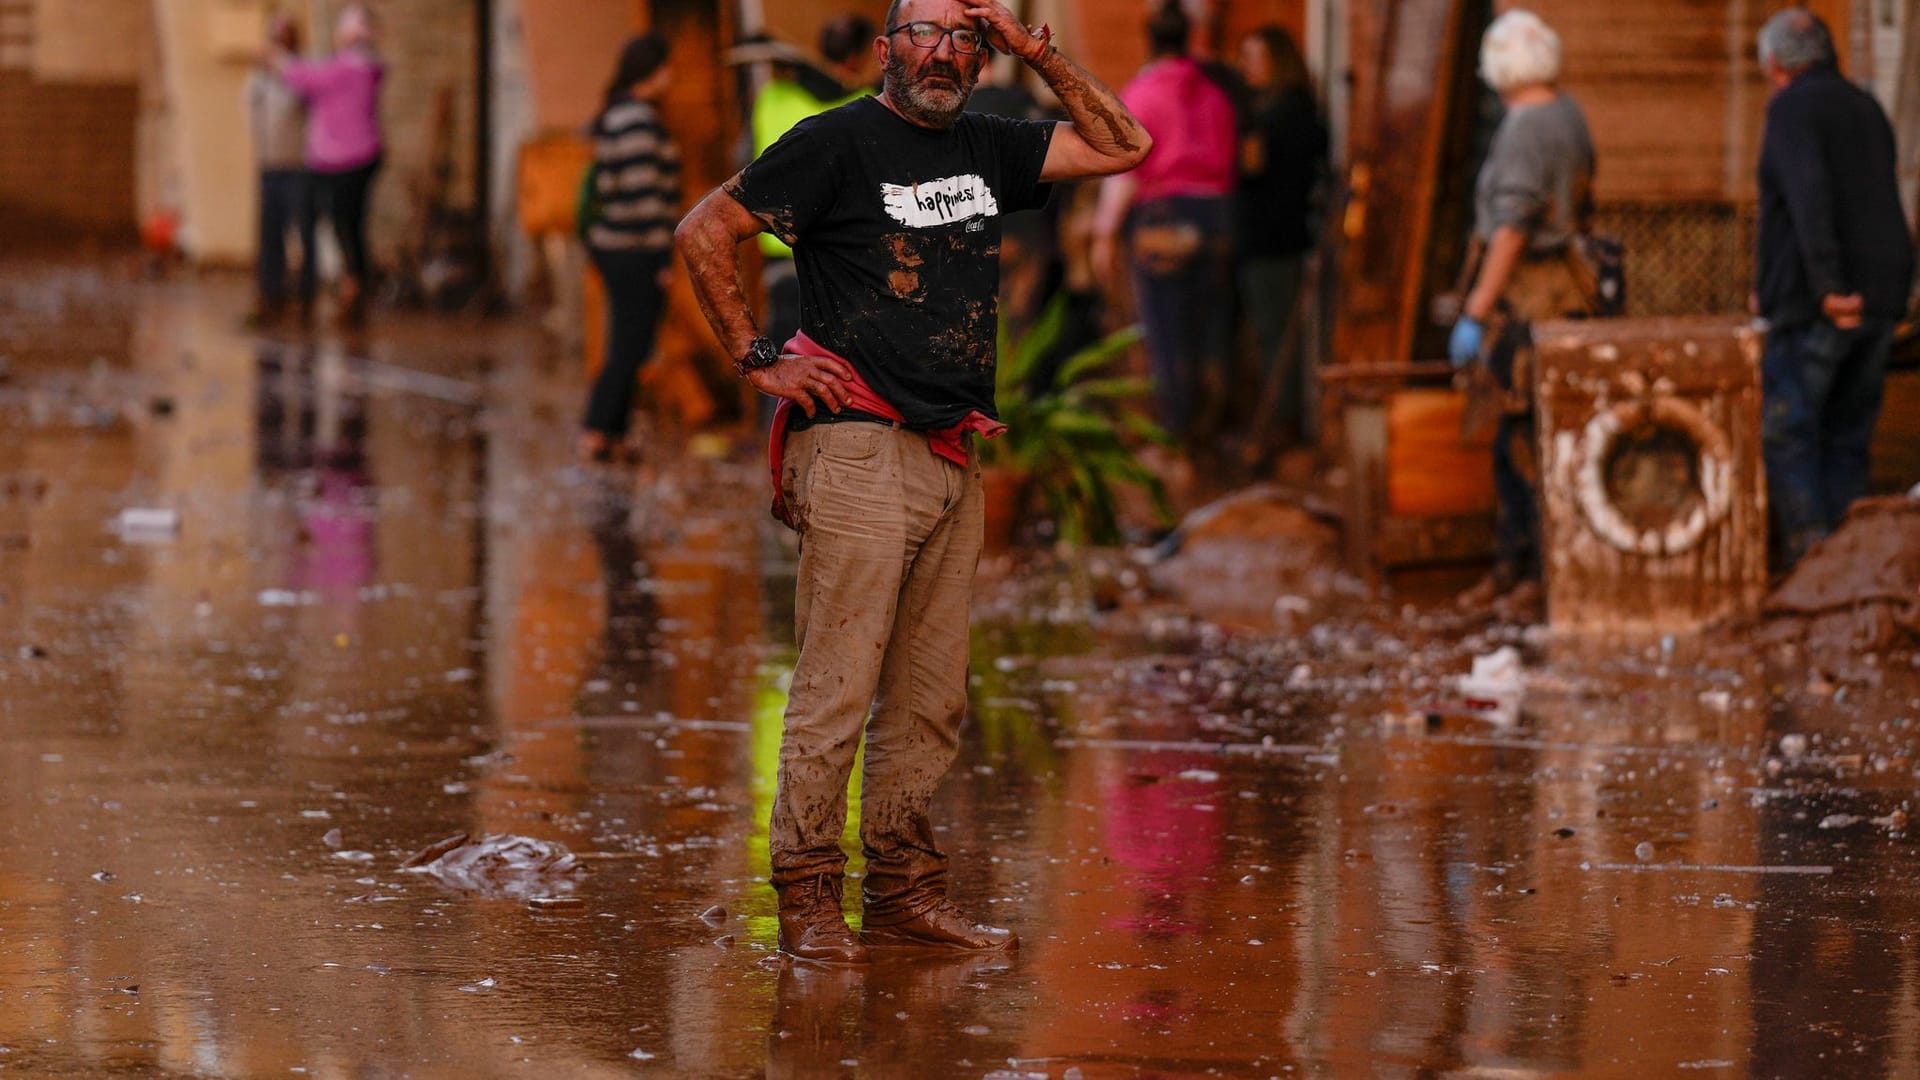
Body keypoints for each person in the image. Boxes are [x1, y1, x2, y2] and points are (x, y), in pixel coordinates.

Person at [674, 0, 1150, 963]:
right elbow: (704, 231)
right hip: (854, 443)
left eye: (963, 39)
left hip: (949, 449)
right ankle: (808, 898)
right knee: (837, 685)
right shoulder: (835, 142)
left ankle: (903, 893)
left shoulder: (987, 143)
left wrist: (1036, 49)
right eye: (924, 34)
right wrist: (757, 355)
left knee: (931, 696)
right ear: (887, 47)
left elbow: (1125, 145)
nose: (943, 53)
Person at [1446, 10, 1598, 611]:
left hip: (1533, 303)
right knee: (1539, 441)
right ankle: (1522, 569)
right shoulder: (1568, 113)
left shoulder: (1526, 128)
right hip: (1567, 296)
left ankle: (1529, 573)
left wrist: (1477, 311)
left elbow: (1512, 226)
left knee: (1522, 446)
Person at [1753, 9, 1913, 570]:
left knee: (1790, 432)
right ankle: (1850, 565)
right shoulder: (1865, 105)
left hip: (1827, 303)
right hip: (1880, 296)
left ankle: (1812, 564)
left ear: (1774, 64)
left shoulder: (1792, 108)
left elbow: (1809, 198)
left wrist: (1826, 287)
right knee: (1847, 435)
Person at [1090, 0, 1237, 444]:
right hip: (1219, 217)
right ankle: (1215, 430)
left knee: (1168, 331)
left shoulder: (1142, 93)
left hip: (1164, 219)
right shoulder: (1215, 94)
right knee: (1213, 330)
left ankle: (1178, 436)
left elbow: (1127, 169)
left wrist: (1104, 233)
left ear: (1150, 42)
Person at [748, 15, 880, 374]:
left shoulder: (773, 99)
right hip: (839, 258)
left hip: (778, 250)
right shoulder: (866, 105)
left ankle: (771, 427)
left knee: (776, 359)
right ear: (856, 59)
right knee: (839, 363)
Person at [578, 34, 683, 464]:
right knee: (630, 344)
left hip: (615, 245)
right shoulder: (637, 120)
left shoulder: (618, 114)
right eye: (666, 67)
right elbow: (644, 198)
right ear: (650, 71)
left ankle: (612, 433)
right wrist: (662, 259)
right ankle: (596, 429)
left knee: (630, 342)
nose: (672, 77)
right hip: (634, 248)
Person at [1233, 24, 1326, 460]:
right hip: (1282, 234)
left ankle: (1283, 428)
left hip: (1271, 239)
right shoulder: (1300, 107)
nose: (1246, 67)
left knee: (1276, 335)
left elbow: (1252, 166)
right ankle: (1281, 423)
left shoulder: (1275, 113)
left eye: (1254, 57)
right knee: (1276, 333)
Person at [275, 4, 383, 325]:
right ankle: (348, 283)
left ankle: (350, 286)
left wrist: (280, 60)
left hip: (345, 159)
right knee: (347, 225)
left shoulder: (351, 69)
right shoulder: (360, 68)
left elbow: (307, 77)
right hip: (347, 157)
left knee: (343, 224)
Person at [248, 13, 316, 326]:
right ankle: (270, 293)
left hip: (299, 167)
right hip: (270, 165)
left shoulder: (302, 75)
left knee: (302, 233)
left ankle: (304, 295)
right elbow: (251, 114)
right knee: (269, 234)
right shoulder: (260, 81)